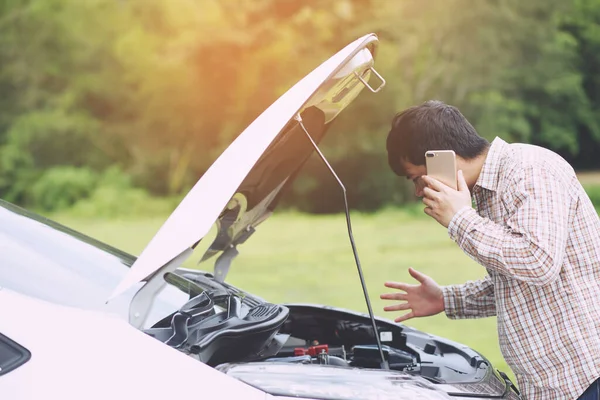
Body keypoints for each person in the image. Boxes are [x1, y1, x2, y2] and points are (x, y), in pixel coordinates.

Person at [381, 100, 600, 400]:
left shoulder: (530, 169)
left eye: (417, 178)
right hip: (553, 387)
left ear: (441, 158)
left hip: (586, 378)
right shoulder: (483, 194)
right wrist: (446, 298)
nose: (419, 191)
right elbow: (516, 286)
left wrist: (460, 219)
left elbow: (538, 261)